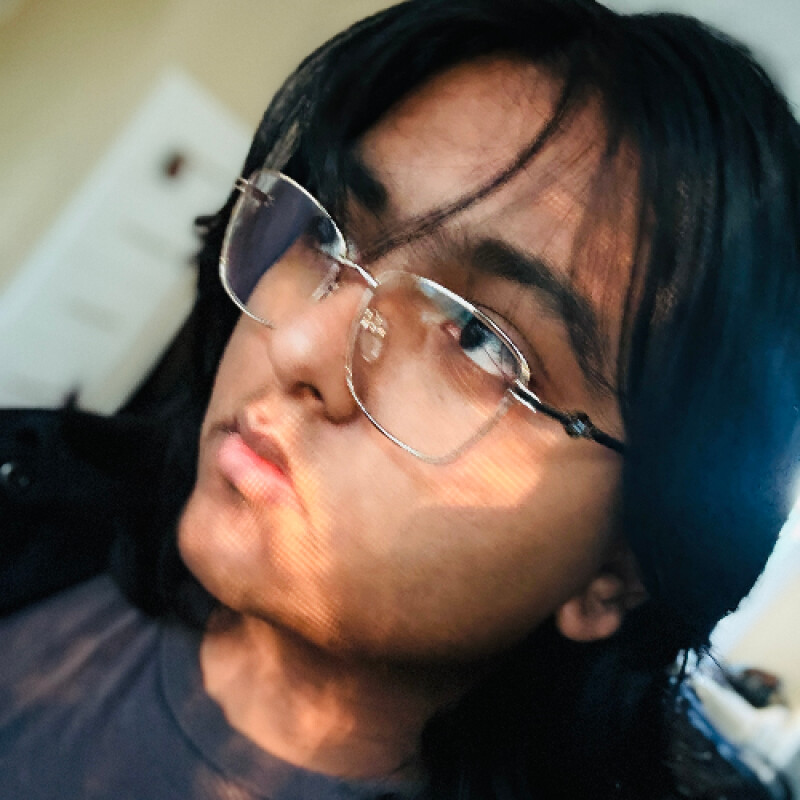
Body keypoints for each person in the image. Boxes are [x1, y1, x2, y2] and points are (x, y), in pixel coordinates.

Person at [1, 0, 799, 798]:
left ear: (620, 571)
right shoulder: (39, 500)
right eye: (324, 237)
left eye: (478, 339)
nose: (298, 344)